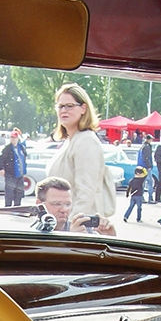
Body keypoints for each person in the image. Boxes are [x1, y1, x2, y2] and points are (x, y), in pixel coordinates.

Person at [45, 83, 116, 236]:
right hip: (65, 226)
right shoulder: (70, 141)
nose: (64, 110)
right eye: (60, 106)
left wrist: (71, 231)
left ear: (83, 108)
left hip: (78, 228)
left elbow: (86, 191)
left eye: (69, 106)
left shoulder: (86, 141)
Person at [0, 129, 27, 206]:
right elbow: (1, 159)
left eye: (14, 138)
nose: (13, 139)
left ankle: (17, 206)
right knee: (9, 191)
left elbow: (24, 157)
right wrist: (2, 168)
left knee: (19, 191)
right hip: (10, 173)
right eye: (12, 138)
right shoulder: (7, 149)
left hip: (20, 173)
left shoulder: (21, 147)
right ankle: (8, 207)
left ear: (17, 138)